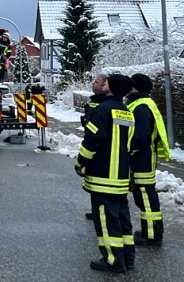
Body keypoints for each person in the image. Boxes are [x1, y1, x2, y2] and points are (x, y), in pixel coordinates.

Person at [75, 73, 136, 274]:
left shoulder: (102, 110)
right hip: (120, 176)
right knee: (122, 219)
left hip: (102, 175)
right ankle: (127, 258)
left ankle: (113, 260)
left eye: (107, 82)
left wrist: (81, 163)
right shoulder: (127, 112)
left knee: (105, 220)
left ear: (112, 88)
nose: (104, 84)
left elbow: (92, 141)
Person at [125, 73, 170, 246]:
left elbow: (141, 136)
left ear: (136, 87)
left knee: (145, 197)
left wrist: (128, 149)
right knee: (143, 196)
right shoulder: (142, 103)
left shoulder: (141, 107)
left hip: (142, 159)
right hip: (143, 157)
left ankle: (152, 236)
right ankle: (149, 232)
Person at [82, 73, 111, 220]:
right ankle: (96, 211)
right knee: (93, 182)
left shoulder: (105, 104)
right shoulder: (94, 101)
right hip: (94, 144)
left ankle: (102, 213)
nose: (93, 83)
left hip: (101, 148)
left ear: (105, 86)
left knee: (100, 184)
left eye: (97, 82)